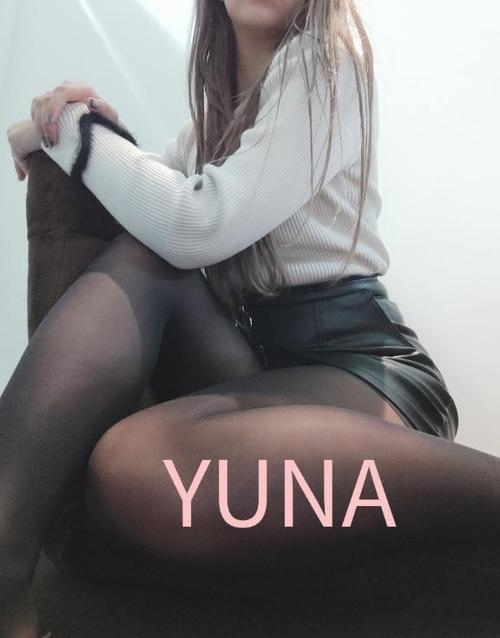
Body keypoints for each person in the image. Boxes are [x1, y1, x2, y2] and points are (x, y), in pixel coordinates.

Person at [3, 0, 500, 635]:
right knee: (140, 262)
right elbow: (157, 205)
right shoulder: (214, 119)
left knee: (138, 465)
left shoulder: (330, 63)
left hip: (363, 371)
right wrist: (67, 128)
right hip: (260, 368)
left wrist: (75, 132)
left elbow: (196, 225)